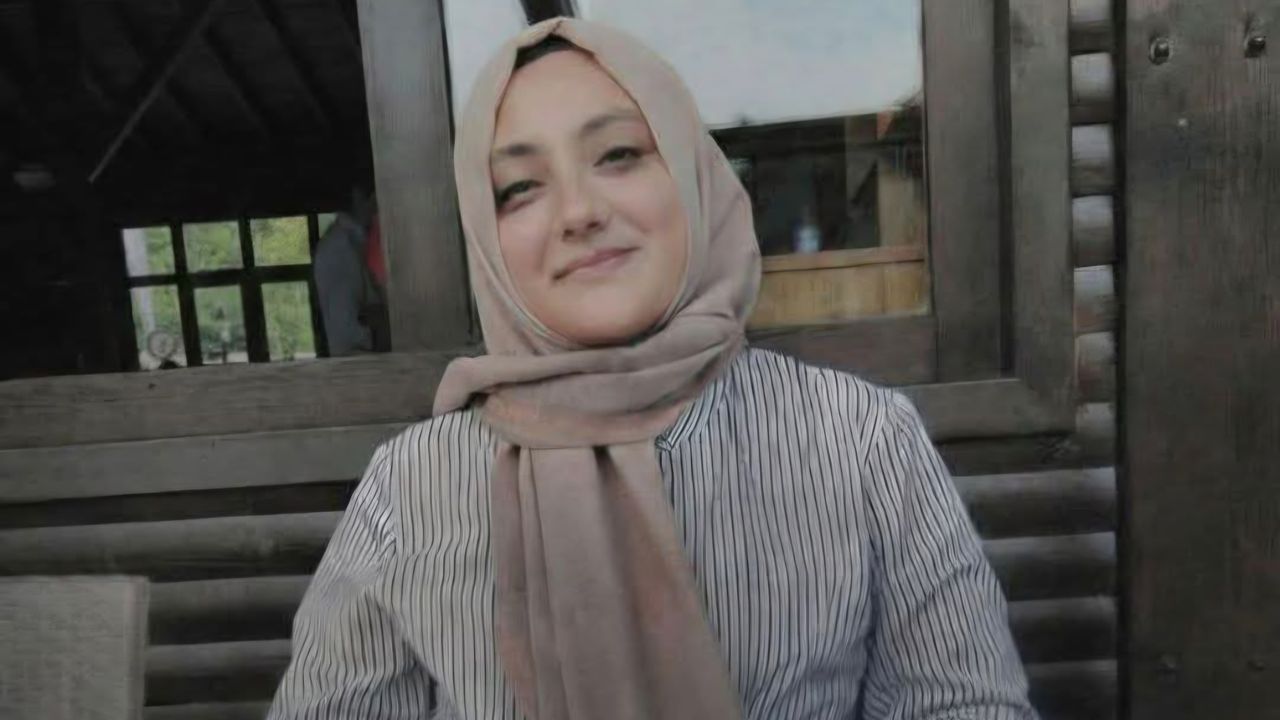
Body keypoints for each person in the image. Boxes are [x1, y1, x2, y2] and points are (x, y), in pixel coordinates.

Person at [269, 18, 1036, 720]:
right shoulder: (412, 487)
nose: (579, 212)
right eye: (520, 188)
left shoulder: (860, 441)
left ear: (694, 176)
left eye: (619, 154)